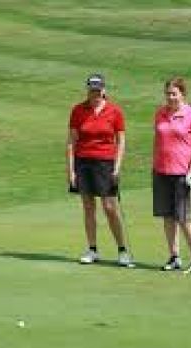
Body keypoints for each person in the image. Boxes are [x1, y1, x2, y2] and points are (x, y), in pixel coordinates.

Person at [67, 73, 132, 266]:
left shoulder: (114, 111)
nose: (94, 93)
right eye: (91, 89)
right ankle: (92, 249)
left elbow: (121, 141)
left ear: (104, 90)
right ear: (87, 89)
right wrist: (71, 170)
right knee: (88, 208)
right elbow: (71, 142)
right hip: (83, 162)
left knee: (110, 208)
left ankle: (122, 250)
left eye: (97, 89)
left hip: (106, 163)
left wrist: (117, 166)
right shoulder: (78, 110)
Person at [153, 77, 191, 273]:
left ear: (183, 94)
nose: (170, 97)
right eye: (167, 93)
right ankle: (174, 256)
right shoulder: (160, 113)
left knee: (184, 218)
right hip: (161, 171)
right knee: (167, 216)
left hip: (182, 173)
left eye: (174, 93)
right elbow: (157, 141)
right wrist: (155, 163)